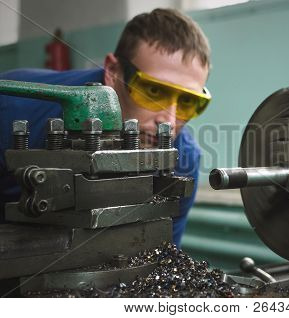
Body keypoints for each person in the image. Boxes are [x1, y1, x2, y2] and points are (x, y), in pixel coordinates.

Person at [0, 8, 211, 247]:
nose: (170, 121)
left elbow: (162, 253)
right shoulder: (12, 108)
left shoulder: (184, 159)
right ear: (113, 71)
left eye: (187, 102)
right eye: (153, 91)